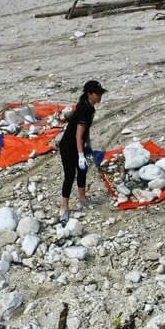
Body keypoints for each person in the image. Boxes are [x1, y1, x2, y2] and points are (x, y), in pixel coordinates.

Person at [57, 80, 105, 224]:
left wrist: (88, 144)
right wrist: (80, 155)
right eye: (97, 94)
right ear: (90, 94)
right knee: (70, 175)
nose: (100, 96)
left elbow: (85, 131)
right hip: (68, 146)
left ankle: (83, 198)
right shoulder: (84, 109)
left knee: (82, 171)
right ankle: (64, 207)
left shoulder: (89, 106)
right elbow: (78, 135)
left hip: (79, 145)